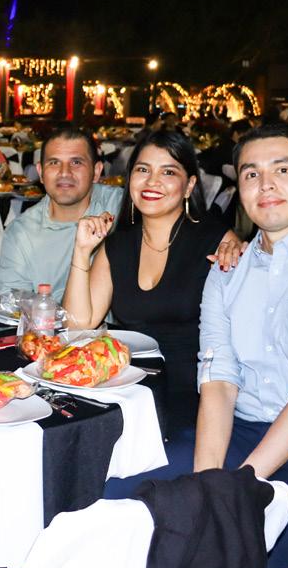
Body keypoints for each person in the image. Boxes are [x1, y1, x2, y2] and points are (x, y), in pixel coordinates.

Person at [105, 123, 288, 568]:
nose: (266, 184)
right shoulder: (226, 270)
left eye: (283, 170)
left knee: (227, 555)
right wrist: (206, 480)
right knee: (114, 499)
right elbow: (218, 380)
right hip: (238, 433)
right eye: (252, 174)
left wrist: (233, 488)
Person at [63, 131, 240, 424]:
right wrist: (82, 251)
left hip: (196, 400)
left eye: (168, 172)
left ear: (189, 185)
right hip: (129, 394)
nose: (152, 181)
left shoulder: (217, 242)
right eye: (143, 170)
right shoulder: (117, 245)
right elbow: (77, 325)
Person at [0, 126, 122, 300]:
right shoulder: (20, 234)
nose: (64, 172)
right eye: (54, 163)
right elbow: (12, 304)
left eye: (76, 162)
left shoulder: (119, 207)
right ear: (41, 173)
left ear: (96, 172)